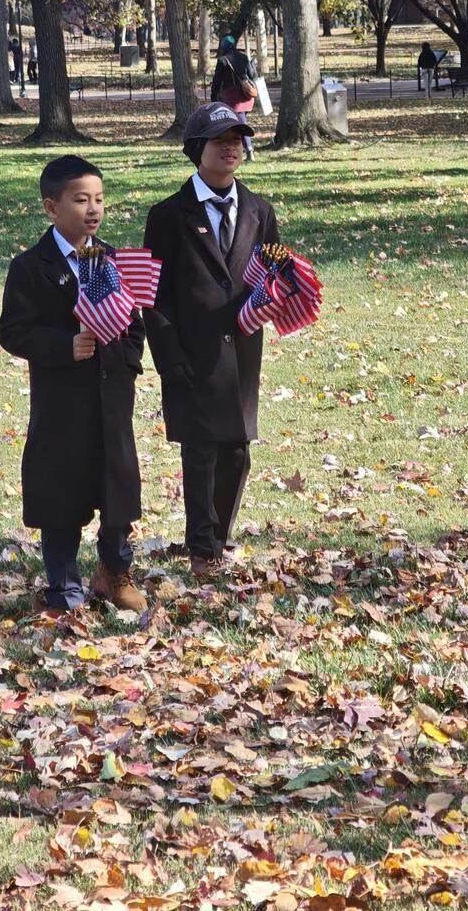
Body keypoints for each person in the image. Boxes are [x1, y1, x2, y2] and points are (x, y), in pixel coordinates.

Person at [0, 155, 147, 615]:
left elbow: (134, 321)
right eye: (80, 199)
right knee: (61, 491)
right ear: (51, 206)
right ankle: (64, 586)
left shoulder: (112, 260)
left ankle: (114, 570)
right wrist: (65, 346)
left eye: (99, 199)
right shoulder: (31, 267)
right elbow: (13, 331)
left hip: (110, 398)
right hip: (63, 403)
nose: (93, 208)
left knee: (117, 487)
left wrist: (126, 362)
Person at [143, 102, 280, 580]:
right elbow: (154, 297)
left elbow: (272, 268)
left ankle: (217, 538)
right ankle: (201, 549)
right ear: (195, 150)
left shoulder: (261, 210)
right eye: (220, 140)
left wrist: (282, 289)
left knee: (237, 453)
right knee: (199, 452)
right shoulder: (166, 216)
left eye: (238, 138)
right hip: (189, 353)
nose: (231, 147)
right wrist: (167, 356)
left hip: (241, 354)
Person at [211, 35, 257, 159]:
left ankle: (249, 150)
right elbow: (252, 75)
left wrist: (213, 97)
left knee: (240, 123)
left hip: (232, 98)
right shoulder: (243, 57)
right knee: (239, 122)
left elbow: (217, 82)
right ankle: (243, 149)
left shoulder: (223, 61)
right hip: (246, 95)